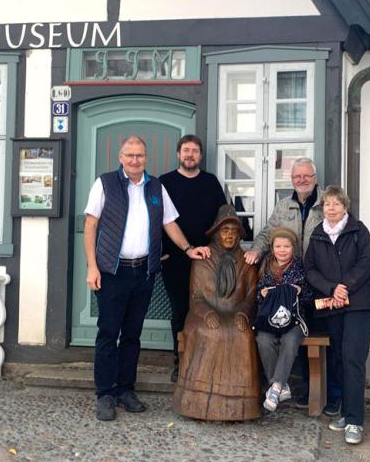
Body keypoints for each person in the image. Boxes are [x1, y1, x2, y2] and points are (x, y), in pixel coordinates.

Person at [84, 135, 210, 422]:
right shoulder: (105, 183)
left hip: (143, 272)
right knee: (108, 333)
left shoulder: (156, 186)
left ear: (146, 158)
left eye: (139, 155)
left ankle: (126, 390)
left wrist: (189, 249)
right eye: (129, 155)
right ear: (121, 157)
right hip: (112, 272)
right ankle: (105, 393)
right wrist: (92, 267)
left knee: (132, 335)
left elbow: (169, 223)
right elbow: (90, 224)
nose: (134, 160)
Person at [244, 157, 342, 416]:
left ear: (315, 177)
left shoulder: (326, 205)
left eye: (307, 176)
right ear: (292, 179)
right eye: (297, 176)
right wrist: (256, 250)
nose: (302, 180)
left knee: (327, 336)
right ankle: (298, 389)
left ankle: (332, 395)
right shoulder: (283, 206)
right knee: (288, 331)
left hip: (320, 282)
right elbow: (267, 233)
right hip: (288, 278)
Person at [173, 205, 261, 420]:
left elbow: (251, 295)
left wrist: (243, 313)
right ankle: (197, 400)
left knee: (243, 335)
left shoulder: (246, 261)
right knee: (209, 332)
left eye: (234, 231)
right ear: (216, 232)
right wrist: (206, 313)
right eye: (225, 230)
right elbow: (196, 297)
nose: (230, 235)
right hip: (202, 314)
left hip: (235, 313)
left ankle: (242, 405)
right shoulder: (204, 257)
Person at [304, 186, 370, 445]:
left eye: (336, 204)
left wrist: (344, 285)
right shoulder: (317, 234)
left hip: (358, 303)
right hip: (332, 304)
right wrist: (331, 289)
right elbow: (310, 269)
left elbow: (365, 263)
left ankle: (355, 421)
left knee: (352, 358)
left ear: (345, 207)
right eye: (327, 204)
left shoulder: (358, 230)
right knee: (337, 358)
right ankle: (347, 413)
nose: (331, 208)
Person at [160, 134, 226, 382]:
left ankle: (204, 360)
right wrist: (160, 252)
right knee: (180, 312)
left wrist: (221, 251)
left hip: (207, 260)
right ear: (178, 154)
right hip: (175, 260)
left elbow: (223, 217)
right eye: (186, 150)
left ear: (200, 155)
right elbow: (154, 219)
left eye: (195, 151)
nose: (190, 155)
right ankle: (181, 360)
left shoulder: (210, 182)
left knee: (206, 311)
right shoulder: (165, 182)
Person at [255, 228, 311, 412]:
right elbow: (257, 294)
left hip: (294, 319)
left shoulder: (300, 268)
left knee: (290, 339)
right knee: (263, 340)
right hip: (271, 319)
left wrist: (300, 292)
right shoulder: (266, 267)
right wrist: (262, 294)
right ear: (272, 248)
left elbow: (310, 296)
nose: (282, 250)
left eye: (286, 246)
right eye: (278, 246)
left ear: (293, 248)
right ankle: (281, 385)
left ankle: (276, 386)